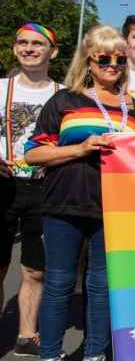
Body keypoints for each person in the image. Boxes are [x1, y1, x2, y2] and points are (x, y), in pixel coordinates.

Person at [24, 25, 135, 361]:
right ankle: (50, 354)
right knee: (59, 284)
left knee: (101, 288)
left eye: (120, 60)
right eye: (104, 58)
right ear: (88, 61)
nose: (112, 65)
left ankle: (95, 354)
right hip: (64, 203)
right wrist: (80, 149)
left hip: (114, 208)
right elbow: (33, 154)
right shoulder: (65, 99)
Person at [0, 22, 61, 357]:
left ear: (52, 51)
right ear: (14, 48)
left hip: (43, 187)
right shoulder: (0, 88)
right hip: (3, 186)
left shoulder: (63, 94)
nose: (29, 49)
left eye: (37, 44)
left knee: (35, 268)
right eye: (22, 42)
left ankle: (26, 334)